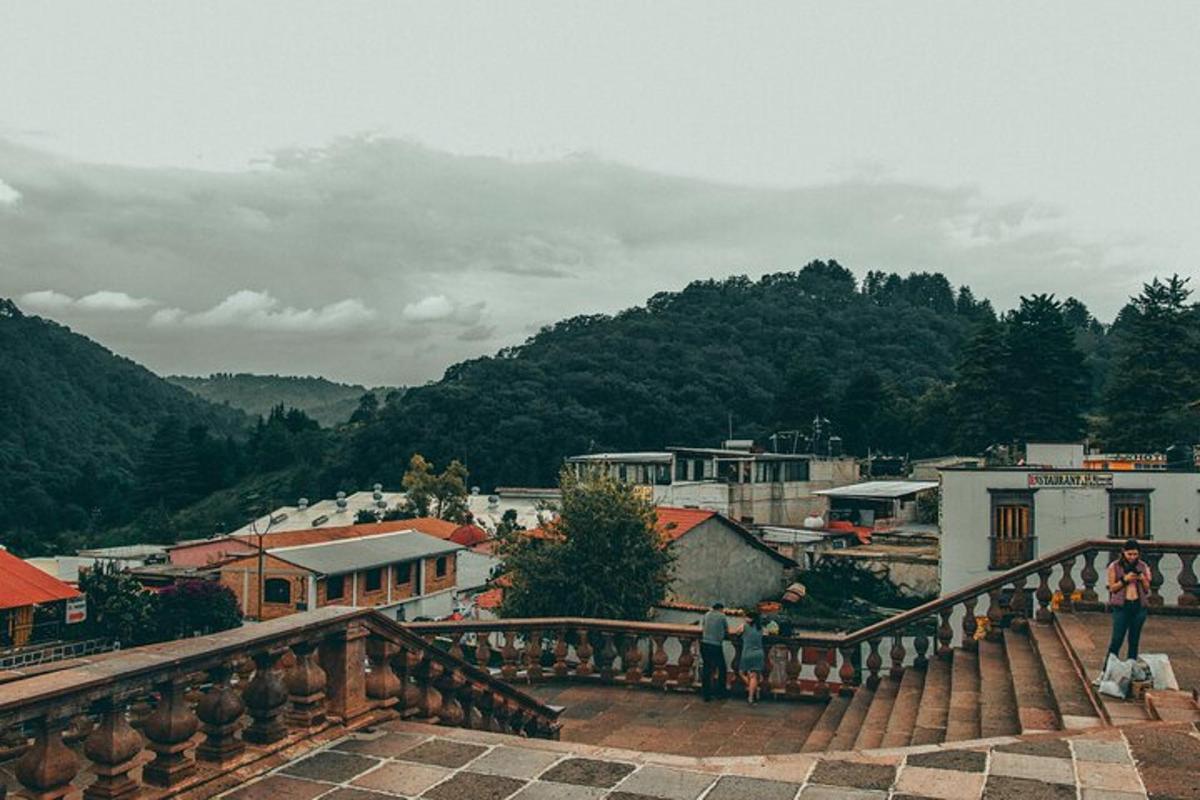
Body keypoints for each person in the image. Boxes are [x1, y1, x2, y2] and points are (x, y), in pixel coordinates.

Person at [1106, 539, 1152, 664]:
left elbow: (1147, 589)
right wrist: (1124, 580)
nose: (1132, 557)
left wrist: (1142, 579)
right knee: (1117, 639)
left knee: (1134, 640)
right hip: (1121, 607)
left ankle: (1131, 666)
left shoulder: (1142, 566)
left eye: (1135, 554)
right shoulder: (1114, 566)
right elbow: (1112, 588)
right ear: (1123, 552)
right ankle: (1107, 669)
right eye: (1129, 554)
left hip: (1138, 606)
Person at [700, 602, 729, 701]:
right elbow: (726, 630)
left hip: (704, 643)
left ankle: (706, 694)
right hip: (716, 645)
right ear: (720, 609)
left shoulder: (707, 615)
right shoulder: (722, 616)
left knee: (707, 668)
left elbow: (703, 627)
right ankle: (720, 692)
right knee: (722, 668)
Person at [737, 611, 766, 704]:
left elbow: (737, 632)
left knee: (741, 673)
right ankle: (754, 690)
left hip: (747, 653)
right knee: (754, 675)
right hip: (759, 653)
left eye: (747, 617)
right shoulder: (760, 628)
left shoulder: (744, 626)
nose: (745, 618)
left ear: (751, 619)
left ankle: (751, 695)